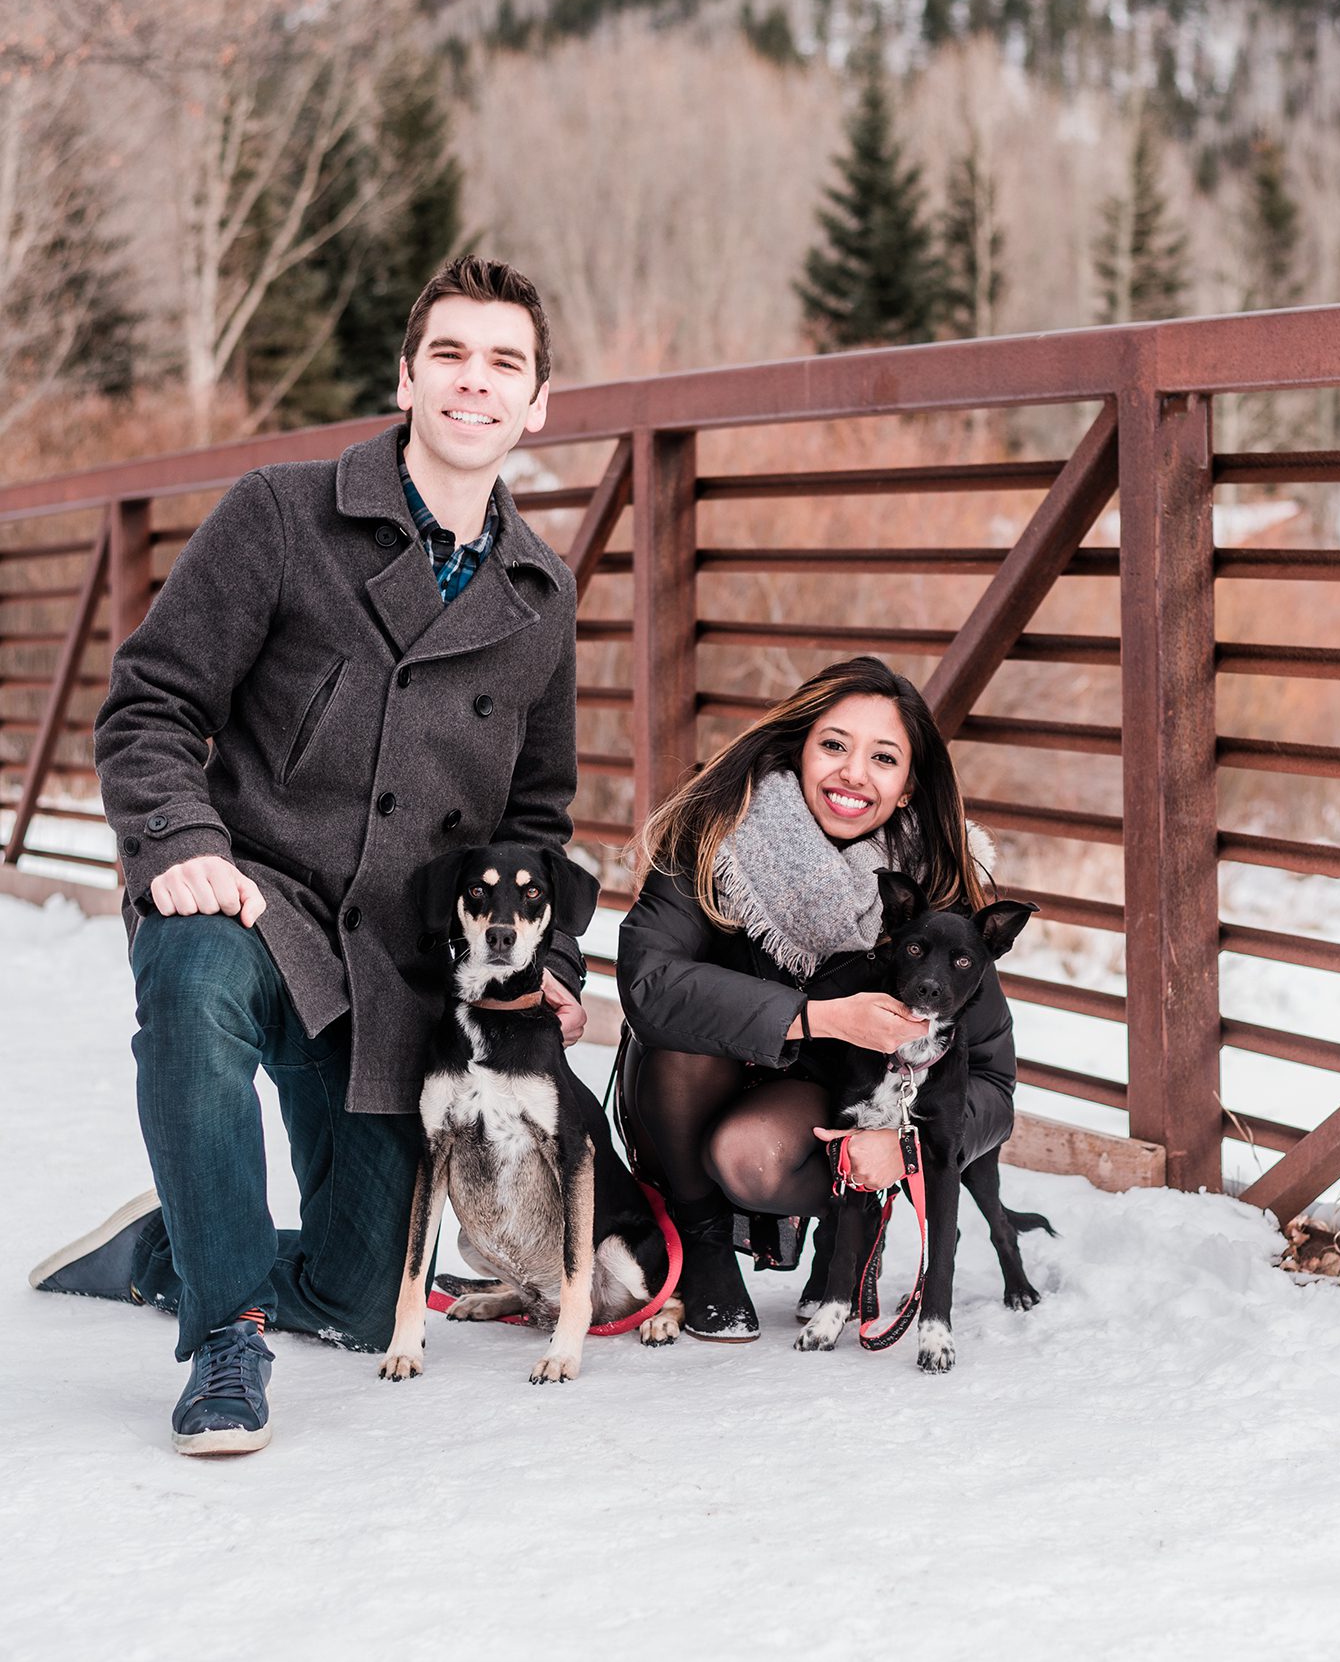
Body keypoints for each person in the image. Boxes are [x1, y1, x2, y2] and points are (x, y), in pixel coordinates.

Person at [29, 256, 588, 1455]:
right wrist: (178, 843)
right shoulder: (282, 513)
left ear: (540, 404)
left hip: (396, 968)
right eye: (449, 354)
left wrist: (552, 960)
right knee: (187, 978)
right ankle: (225, 1335)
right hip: (254, 899)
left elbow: (537, 814)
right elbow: (151, 705)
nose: (474, 384)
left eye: (505, 364)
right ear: (405, 375)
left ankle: (173, 1243)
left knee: (353, 1291)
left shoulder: (543, 595)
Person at [616, 656, 1016, 1342]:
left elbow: (992, 1080)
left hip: (821, 1097)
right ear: (798, 747)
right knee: (678, 1041)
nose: (854, 773)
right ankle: (704, 1250)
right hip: (697, 1083)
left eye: (883, 758)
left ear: (908, 784)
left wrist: (907, 1150)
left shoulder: (934, 890)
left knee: (755, 1153)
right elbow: (650, 983)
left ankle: (849, 1233)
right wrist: (821, 1016)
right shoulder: (717, 835)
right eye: (834, 745)